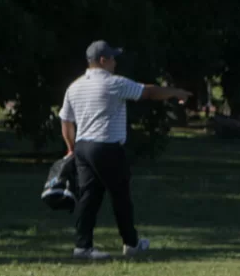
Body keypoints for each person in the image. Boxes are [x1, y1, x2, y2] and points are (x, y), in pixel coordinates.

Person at [59, 40, 192, 259]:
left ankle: (82, 246)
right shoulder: (112, 83)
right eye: (112, 58)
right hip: (107, 146)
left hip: (83, 147)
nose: (115, 62)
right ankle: (131, 243)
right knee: (120, 196)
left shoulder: (75, 86)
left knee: (88, 197)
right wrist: (175, 92)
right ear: (103, 60)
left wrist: (71, 149)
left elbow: (66, 120)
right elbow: (147, 92)